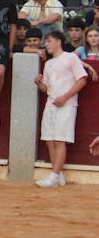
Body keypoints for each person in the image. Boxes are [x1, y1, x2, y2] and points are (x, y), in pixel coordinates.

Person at [34, 31, 88, 188]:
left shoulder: (71, 57)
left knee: (59, 139)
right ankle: (57, 174)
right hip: (51, 103)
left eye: (49, 41)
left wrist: (65, 97)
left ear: (58, 41)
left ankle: (55, 175)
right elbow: (47, 88)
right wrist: (39, 84)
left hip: (67, 104)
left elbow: (82, 80)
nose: (46, 44)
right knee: (50, 140)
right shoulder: (48, 63)